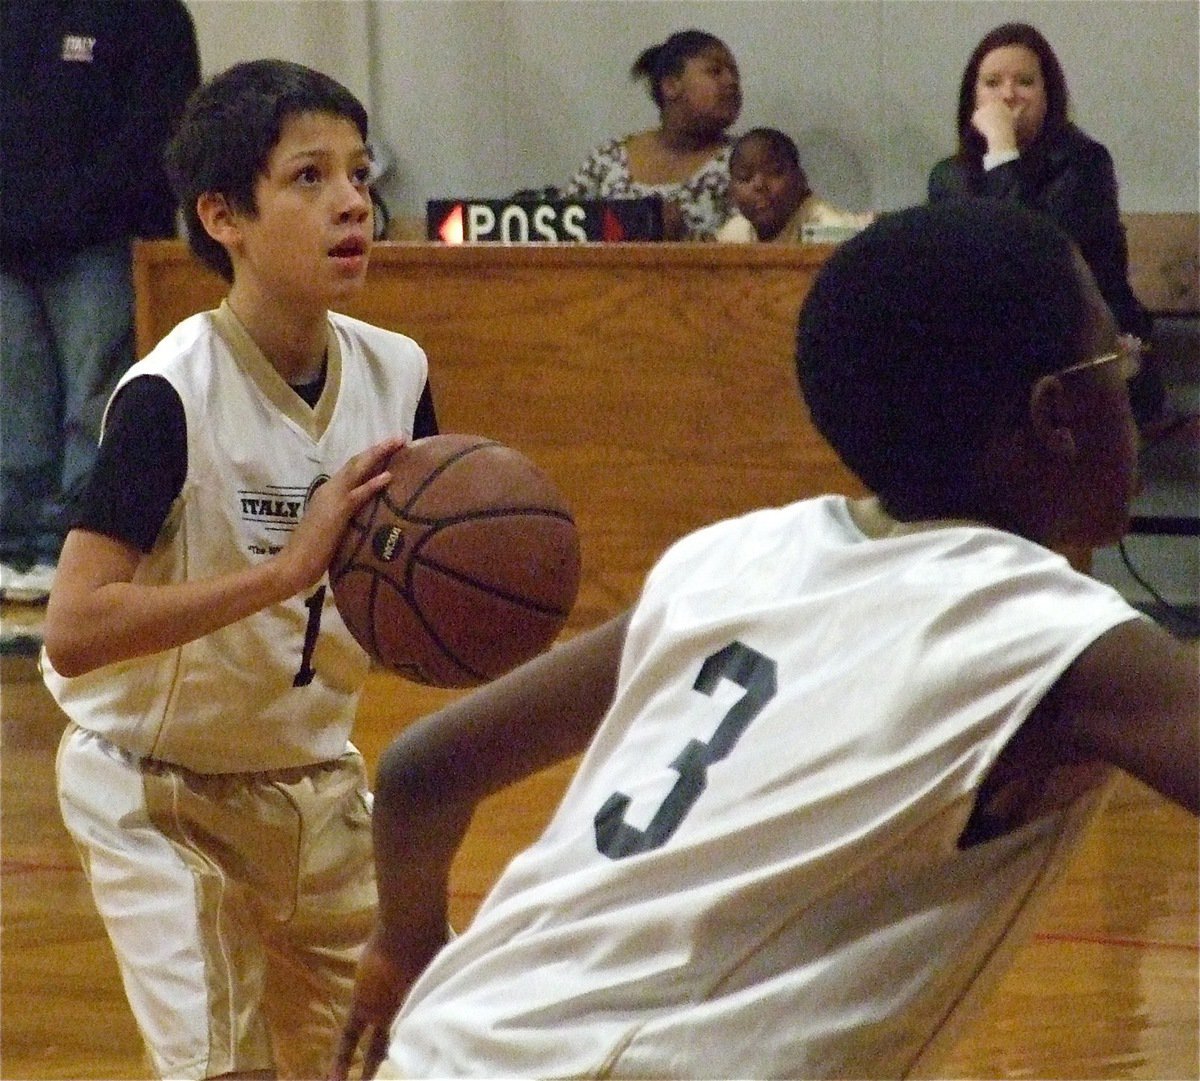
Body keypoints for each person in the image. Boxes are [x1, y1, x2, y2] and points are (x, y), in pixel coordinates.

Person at [331, 199, 1198, 1080]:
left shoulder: (734, 555)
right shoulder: (1049, 633)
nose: (1129, 383)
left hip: (455, 1041)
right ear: (1056, 413)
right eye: (1116, 361)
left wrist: (403, 949)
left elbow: (419, 771)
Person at [41, 59, 439, 1080]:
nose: (353, 200)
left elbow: (425, 579)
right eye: (310, 177)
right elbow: (75, 629)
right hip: (158, 790)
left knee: (386, 1055)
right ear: (224, 215)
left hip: (314, 783)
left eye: (359, 173)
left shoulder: (400, 372)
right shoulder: (169, 395)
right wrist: (284, 572)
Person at [0, 0, 200, 606]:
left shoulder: (148, 14)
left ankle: (89, 549)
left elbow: (162, 131)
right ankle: (18, 546)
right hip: (7, 246)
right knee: (15, 401)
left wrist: (73, 211)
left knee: (98, 402)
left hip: (103, 244)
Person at [927, 22, 1162, 423]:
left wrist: (1002, 150)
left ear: (1049, 96)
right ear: (973, 98)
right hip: (992, 356)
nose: (1008, 95)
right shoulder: (949, 177)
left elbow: (1036, 263)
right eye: (992, 82)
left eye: (1025, 82)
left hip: (1080, 347)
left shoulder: (1084, 164)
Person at [561, 29, 741, 241]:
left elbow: (753, 252)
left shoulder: (744, 163)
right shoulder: (607, 159)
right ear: (671, 86)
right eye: (715, 71)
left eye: (734, 73)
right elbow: (563, 232)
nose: (731, 81)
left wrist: (683, 236)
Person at [715, 127, 873, 244]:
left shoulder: (829, 229)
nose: (759, 185)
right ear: (731, 192)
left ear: (801, 180)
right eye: (745, 177)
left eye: (774, 172)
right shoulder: (734, 233)